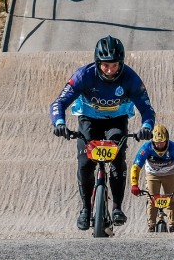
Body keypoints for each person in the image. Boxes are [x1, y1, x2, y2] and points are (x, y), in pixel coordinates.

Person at [51, 35, 156, 231]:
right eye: (105, 66)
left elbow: (147, 110)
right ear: (97, 63)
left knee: (117, 159)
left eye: (114, 65)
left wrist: (146, 127)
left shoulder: (131, 79)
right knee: (85, 162)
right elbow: (59, 103)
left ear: (121, 63)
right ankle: (85, 209)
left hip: (117, 121)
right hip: (88, 120)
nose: (110, 70)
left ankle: (117, 208)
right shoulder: (83, 75)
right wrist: (59, 123)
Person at [129, 124, 174, 232]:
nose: (159, 145)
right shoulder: (146, 148)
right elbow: (136, 166)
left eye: (162, 142)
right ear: (152, 141)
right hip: (152, 174)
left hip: (169, 174)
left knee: (172, 198)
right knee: (152, 199)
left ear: (167, 140)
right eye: (157, 142)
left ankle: (172, 225)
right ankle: (151, 225)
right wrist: (134, 184)